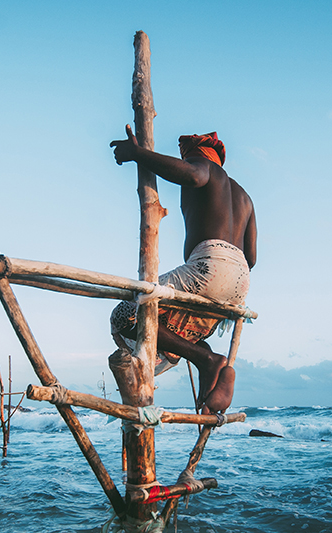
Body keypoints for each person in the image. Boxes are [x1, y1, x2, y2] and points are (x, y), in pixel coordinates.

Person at [110, 126, 256, 414]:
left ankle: (205, 358)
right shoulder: (244, 197)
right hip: (240, 280)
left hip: (209, 264)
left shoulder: (206, 169)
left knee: (123, 315)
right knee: (180, 323)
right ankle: (204, 363)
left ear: (197, 156)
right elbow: (251, 256)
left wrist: (139, 154)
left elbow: (193, 175)